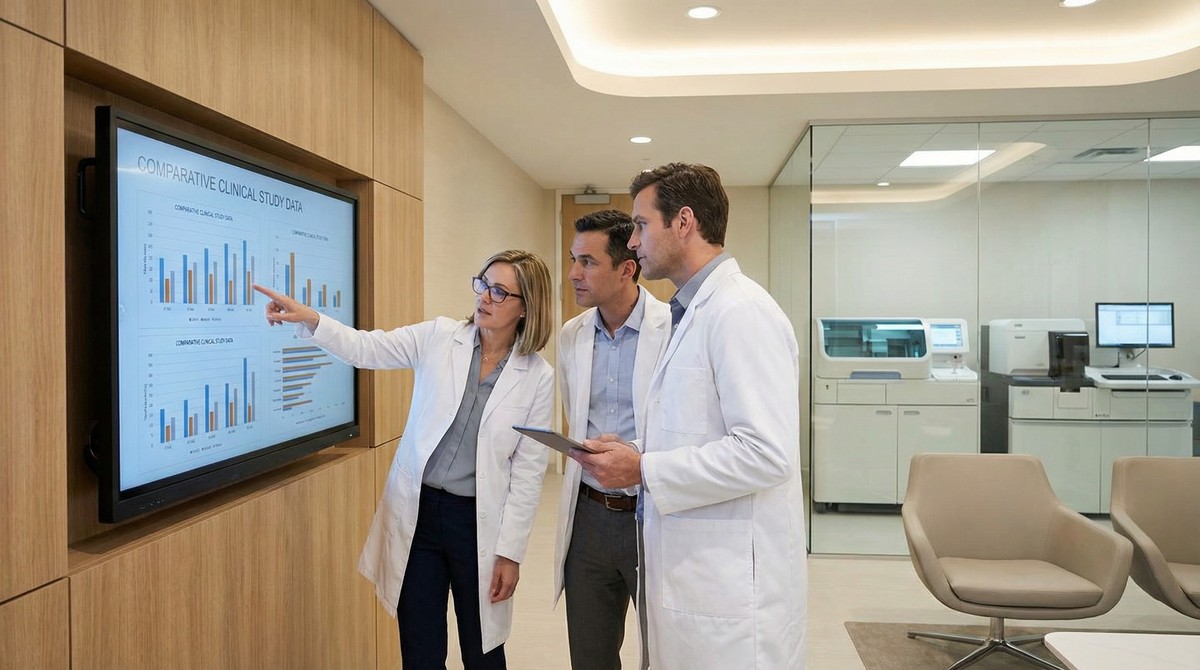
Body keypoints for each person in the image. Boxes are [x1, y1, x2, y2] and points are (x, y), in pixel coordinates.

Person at [254, 249, 555, 670]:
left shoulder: (537, 376)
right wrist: (312, 320)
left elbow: (528, 472)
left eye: (500, 292)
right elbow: (367, 348)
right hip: (420, 514)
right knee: (420, 648)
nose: (484, 297)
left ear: (527, 308)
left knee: (483, 650)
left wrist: (511, 553)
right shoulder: (439, 337)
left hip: (478, 522)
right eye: (483, 284)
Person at [572, 164, 807, 669]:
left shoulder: (740, 312)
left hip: (729, 596)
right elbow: (701, 432)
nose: (633, 242)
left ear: (683, 222)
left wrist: (644, 469)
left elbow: (767, 453)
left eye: (640, 225)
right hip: (694, 573)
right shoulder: (693, 311)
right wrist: (639, 453)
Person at [553, 210, 671, 670]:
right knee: (590, 655)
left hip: (651, 513)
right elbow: (575, 414)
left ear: (627, 268)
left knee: (662, 651)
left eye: (587, 262)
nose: (573, 274)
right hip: (589, 517)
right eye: (572, 259)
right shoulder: (572, 335)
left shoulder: (673, 330)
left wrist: (638, 458)